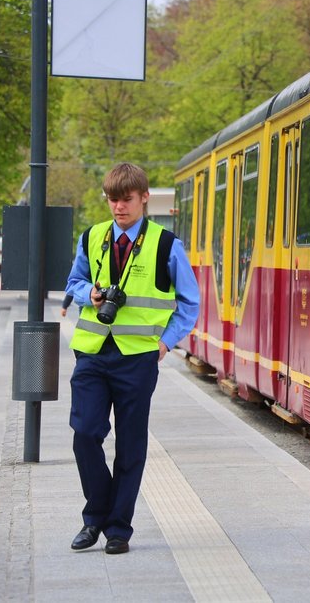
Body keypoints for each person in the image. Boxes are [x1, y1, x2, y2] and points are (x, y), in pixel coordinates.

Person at [64, 163, 199, 555]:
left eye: (126, 199)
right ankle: (98, 514)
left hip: (138, 358)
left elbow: (189, 304)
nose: (118, 207)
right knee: (85, 434)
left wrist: (165, 343)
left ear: (144, 198)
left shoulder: (166, 244)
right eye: (112, 199)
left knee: (131, 445)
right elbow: (73, 281)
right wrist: (89, 291)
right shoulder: (92, 237)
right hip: (91, 353)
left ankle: (117, 529)